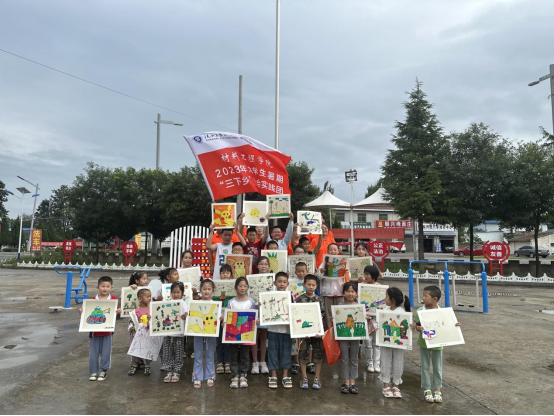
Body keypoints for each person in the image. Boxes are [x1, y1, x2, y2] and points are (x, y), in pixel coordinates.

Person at [411, 286, 462, 404]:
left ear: (434, 299)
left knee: (437, 367)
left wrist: (456, 325)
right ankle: (427, 389)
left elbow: (448, 325)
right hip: (424, 343)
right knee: (424, 366)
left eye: (425, 296)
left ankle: (438, 389)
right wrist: (418, 328)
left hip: (438, 343)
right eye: (423, 295)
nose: (423, 298)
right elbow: (417, 325)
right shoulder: (420, 311)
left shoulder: (442, 313)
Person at [80, 276, 121, 382]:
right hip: (94, 332)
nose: (105, 288)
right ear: (97, 287)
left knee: (106, 352)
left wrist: (118, 311)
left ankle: (104, 370)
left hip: (107, 331)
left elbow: (116, 314)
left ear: (111, 288)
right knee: (93, 352)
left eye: (107, 286)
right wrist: (82, 311)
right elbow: (87, 314)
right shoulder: (92, 301)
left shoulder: (113, 300)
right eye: (103, 286)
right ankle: (93, 371)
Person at [334, 282, 371, 395]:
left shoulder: (360, 307)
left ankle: (353, 380)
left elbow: (362, 319)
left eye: (352, 291)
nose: (350, 294)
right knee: (344, 358)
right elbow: (337, 319)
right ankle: (345, 380)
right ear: (343, 293)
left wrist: (366, 318)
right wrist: (334, 319)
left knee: (354, 357)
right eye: (348, 291)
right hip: (343, 335)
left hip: (356, 335)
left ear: (356, 294)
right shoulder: (339, 306)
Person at [380, 287, 411, 398]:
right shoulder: (384, 311)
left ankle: (396, 386)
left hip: (398, 343)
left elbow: (406, 328)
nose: (385, 298)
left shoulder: (402, 313)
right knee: (385, 362)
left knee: (398, 363)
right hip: (386, 342)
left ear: (392, 300)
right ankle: (386, 386)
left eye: (386, 296)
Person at [191, 279, 223, 389]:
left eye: (209, 289)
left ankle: (210, 375)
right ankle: (197, 376)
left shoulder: (216, 305)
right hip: (198, 331)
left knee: (210, 353)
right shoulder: (195, 304)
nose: (206, 291)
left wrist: (221, 318)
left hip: (211, 332)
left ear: (213, 290)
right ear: (200, 290)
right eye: (204, 289)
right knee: (198, 353)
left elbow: (219, 317)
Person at [296, 274, 325, 390]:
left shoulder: (319, 299)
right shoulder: (299, 299)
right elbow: (297, 316)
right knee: (303, 354)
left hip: (317, 333)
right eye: (308, 284)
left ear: (316, 286)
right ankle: (304, 378)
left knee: (318, 354)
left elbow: (322, 316)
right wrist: (301, 331)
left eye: (313, 285)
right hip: (304, 333)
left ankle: (317, 378)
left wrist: (320, 331)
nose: (311, 287)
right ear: (304, 285)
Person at [227, 277, 257, 389]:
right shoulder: (231, 302)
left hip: (246, 334)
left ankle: (243, 375)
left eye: (245, 286)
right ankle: (234, 375)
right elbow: (228, 317)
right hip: (233, 335)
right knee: (233, 355)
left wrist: (256, 321)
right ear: (236, 287)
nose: (242, 288)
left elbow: (253, 316)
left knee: (245, 355)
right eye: (240, 286)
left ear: (248, 287)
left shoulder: (251, 302)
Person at [267, 272, 293, 389]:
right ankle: (273, 375)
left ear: (288, 284)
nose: (282, 284)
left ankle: (285, 375)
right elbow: (266, 310)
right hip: (272, 329)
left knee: (286, 352)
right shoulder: (269, 296)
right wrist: (262, 305)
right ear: (274, 283)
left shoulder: (290, 297)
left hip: (286, 330)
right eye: (279, 281)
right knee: (272, 352)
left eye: (284, 282)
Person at [161, 282, 189, 383]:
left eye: (178, 292)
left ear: (182, 293)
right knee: (167, 351)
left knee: (178, 352)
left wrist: (185, 315)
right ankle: (169, 370)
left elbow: (188, 315)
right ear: (170, 293)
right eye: (173, 292)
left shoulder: (184, 304)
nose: (176, 294)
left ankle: (177, 371)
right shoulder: (166, 303)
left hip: (179, 334)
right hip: (168, 333)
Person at [317, 243, 346, 330]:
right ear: (328, 251)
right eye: (331, 250)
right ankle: (329, 333)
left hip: (340, 292)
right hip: (328, 292)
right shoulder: (324, 262)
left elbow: (348, 277)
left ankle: (340, 331)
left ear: (338, 251)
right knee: (329, 315)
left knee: (340, 313)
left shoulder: (343, 262)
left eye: (335, 250)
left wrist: (346, 272)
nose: (333, 251)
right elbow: (318, 277)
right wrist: (321, 271)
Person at [361, 265, 382, 373]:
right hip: (366, 318)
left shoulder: (380, 287)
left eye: (368, 274)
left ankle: (377, 363)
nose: (365, 276)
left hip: (376, 318)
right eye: (365, 274)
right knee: (367, 341)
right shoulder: (361, 286)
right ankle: (370, 362)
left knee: (377, 341)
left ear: (373, 275)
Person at [251, 256, 270, 376]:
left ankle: (263, 361)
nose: (263, 266)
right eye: (261, 264)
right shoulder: (251, 279)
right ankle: (255, 362)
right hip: (254, 309)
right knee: (254, 336)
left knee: (263, 336)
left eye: (265, 264)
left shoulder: (271, 280)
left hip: (266, 310)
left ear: (268, 266)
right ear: (257, 265)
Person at [128, 288, 153, 376]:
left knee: (147, 349)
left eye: (150, 296)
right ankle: (134, 364)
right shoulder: (135, 311)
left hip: (147, 334)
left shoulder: (151, 310)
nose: (149, 298)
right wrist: (131, 327)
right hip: (137, 334)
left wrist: (150, 322)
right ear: (140, 299)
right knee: (135, 349)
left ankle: (147, 365)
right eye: (147, 296)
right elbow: (131, 320)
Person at [179, 250, 197, 358]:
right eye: (185, 257)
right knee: (181, 324)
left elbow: (200, 286)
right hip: (181, 302)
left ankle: (190, 349)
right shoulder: (178, 271)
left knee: (191, 325)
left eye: (190, 258)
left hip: (192, 301)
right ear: (182, 259)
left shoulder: (196, 272)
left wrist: (195, 290)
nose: (188, 260)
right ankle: (182, 350)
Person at [216, 265, 233, 375]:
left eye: (227, 272)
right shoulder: (216, 286)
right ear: (220, 274)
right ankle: (219, 361)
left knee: (227, 340)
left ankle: (227, 361)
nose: (225, 275)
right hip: (218, 317)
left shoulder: (234, 287)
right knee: (218, 341)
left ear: (231, 274)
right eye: (223, 273)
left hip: (229, 317)